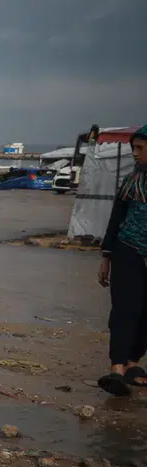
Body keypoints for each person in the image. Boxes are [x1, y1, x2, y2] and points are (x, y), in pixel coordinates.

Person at [96, 124, 147, 396]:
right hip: (127, 250)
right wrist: (106, 257)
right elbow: (116, 220)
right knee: (124, 310)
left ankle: (132, 364)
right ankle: (116, 368)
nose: (135, 154)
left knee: (145, 315)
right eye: (133, 148)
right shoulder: (131, 182)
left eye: (140, 148)